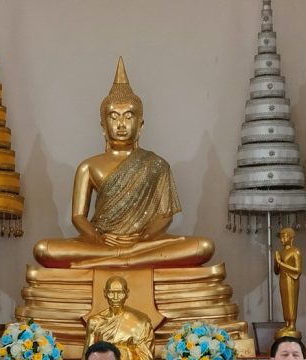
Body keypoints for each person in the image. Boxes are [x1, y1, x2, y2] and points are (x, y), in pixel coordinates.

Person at [32, 57, 214, 270]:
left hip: (144, 244)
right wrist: (97, 239)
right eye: (114, 117)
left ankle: (124, 257)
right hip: (101, 243)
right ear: (103, 125)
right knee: (44, 249)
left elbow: (165, 216)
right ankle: (125, 258)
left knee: (202, 246)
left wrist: (143, 239)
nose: (121, 124)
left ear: (141, 125)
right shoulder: (88, 166)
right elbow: (78, 216)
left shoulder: (157, 164)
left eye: (128, 117)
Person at [67, 275, 163, 360]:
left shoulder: (141, 321)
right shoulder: (95, 321)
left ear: (127, 293)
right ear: (105, 293)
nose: (116, 298)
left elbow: (147, 359)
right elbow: (86, 357)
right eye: (111, 293)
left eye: (120, 293)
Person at [274, 227, 301, 338]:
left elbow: (298, 271)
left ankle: (292, 324)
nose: (282, 240)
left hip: (292, 279)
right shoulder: (281, 252)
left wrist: (281, 262)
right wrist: (276, 261)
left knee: (291, 302)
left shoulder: (295, 251)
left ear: (291, 238)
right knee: (285, 302)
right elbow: (276, 271)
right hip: (283, 279)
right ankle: (287, 323)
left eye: (285, 237)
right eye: (281, 237)